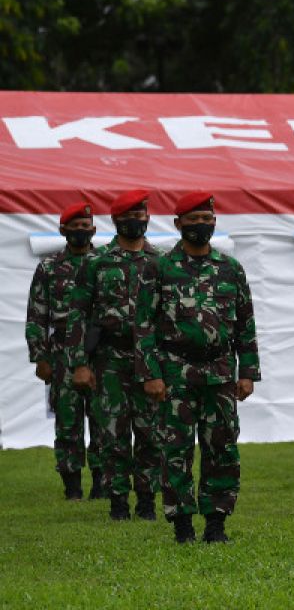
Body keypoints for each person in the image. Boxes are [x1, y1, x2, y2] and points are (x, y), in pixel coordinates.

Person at [136, 192, 261, 544]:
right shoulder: (158, 268)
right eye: (193, 220)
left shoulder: (230, 269)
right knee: (175, 450)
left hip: (220, 371)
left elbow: (246, 325)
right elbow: (143, 326)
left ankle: (217, 523)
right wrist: (151, 374)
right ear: (178, 225)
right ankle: (182, 525)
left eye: (207, 219)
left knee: (222, 447)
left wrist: (248, 372)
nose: (201, 226)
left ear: (215, 222)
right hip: (175, 371)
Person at [68, 189, 163, 522]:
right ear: (116, 221)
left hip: (150, 361)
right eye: (129, 216)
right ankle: (119, 502)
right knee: (113, 432)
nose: (136, 221)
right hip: (110, 358)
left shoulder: (160, 262)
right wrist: (79, 363)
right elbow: (77, 316)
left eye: (141, 215)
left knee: (152, 431)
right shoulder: (97, 263)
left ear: (148, 219)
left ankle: (148, 501)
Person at [26, 202, 103, 500]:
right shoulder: (49, 267)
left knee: (102, 420)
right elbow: (36, 316)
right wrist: (40, 356)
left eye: (86, 226)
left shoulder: (105, 263)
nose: (81, 232)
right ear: (63, 230)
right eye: (75, 227)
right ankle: (72, 487)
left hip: (99, 353)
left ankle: (101, 484)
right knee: (67, 421)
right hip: (61, 355)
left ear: (94, 230)